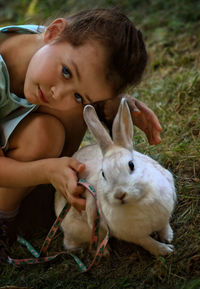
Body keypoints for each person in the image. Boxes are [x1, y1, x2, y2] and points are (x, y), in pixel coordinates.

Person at [0, 9, 162, 263]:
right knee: (48, 129)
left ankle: (43, 195)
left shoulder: (51, 57)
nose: (58, 92)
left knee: (74, 111)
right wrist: (47, 170)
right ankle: (4, 217)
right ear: (53, 31)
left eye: (77, 93)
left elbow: (85, 81)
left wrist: (114, 105)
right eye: (66, 72)